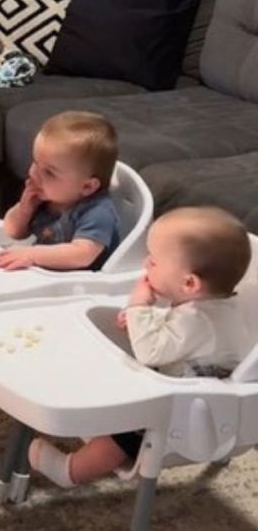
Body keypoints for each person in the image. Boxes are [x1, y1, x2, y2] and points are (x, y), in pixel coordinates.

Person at [30, 206, 254, 488]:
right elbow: (187, 336)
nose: (146, 264)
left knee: (124, 435)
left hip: (185, 416)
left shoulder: (198, 319)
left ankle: (72, 471)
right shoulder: (220, 308)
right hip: (206, 397)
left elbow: (150, 352)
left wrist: (139, 306)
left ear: (189, 283)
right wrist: (147, 319)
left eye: (154, 262)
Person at [0, 111, 121, 272]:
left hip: (84, 286)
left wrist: (32, 255)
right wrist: (24, 210)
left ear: (87, 187)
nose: (33, 173)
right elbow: (12, 232)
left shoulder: (97, 211)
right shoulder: (46, 196)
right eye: (35, 162)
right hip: (48, 277)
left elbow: (82, 254)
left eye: (49, 172)